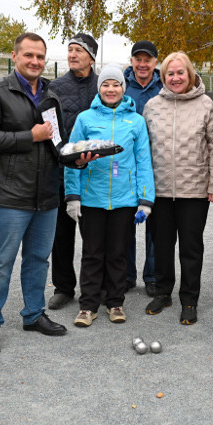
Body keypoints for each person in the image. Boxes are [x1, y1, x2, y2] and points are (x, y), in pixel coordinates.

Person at [0, 32, 74, 358]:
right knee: (0, 262)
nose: (35, 62)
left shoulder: (51, 94)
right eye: (28, 55)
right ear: (15, 57)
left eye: (40, 57)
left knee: (38, 259)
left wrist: (75, 156)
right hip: (9, 196)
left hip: (46, 195)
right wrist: (28, 136)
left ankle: (33, 314)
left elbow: (56, 141)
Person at [64, 65, 155, 327]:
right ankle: (88, 305)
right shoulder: (85, 119)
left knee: (117, 254)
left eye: (116, 84)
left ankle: (115, 302)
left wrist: (145, 200)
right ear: (99, 88)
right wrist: (73, 195)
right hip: (91, 199)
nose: (111, 89)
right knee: (92, 253)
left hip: (124, 201)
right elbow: (72, 159)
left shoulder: (136, 121)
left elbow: (143, 162)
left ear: (123, 88)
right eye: (106, 84)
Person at [142, 52, 213, 324]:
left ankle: (189, 299)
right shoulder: (152, 106)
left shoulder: (206, 104)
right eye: (169, 74)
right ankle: (163, 292)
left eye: (180, 73)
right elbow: (144, 150)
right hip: (160, 190)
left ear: (189, 74)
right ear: (163, 77)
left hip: (194, 190)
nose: (175, 78)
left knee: (191, 248)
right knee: (161, 245)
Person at [47, 33, 99, 311]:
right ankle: (63, 287)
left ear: (91, 56)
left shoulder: (103, 86)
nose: (72, 55)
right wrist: (63, 156)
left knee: (95, 236)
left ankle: (96, 286)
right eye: (69, 50)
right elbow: (51, 129)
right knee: (61, 234)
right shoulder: (55, 86)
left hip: (96, 174)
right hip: (63, 172)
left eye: (78, 50)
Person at [123, 40, 163, 296]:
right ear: (132, 61)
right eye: (138, 59)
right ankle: (126, 275)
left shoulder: (166, 86)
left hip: (157, 164)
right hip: (127, 165)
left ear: (155, 63)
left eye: (147, 59)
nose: (142, 64)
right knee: (125, 224)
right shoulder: (122, 86)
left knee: (155, 226)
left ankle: (152, 276)